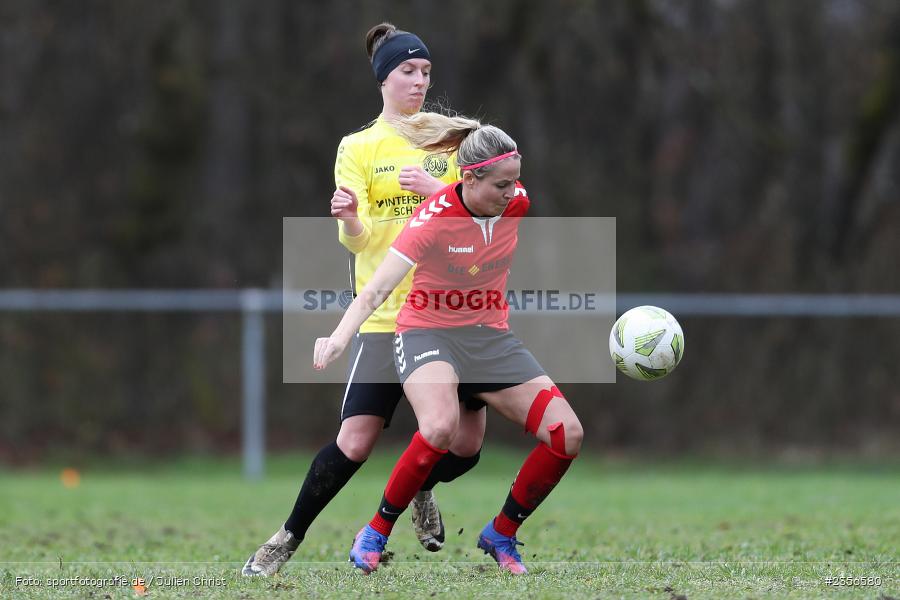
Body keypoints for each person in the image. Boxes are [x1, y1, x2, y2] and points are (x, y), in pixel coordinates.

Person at [242, 23, 486, 577]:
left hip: (449, 314)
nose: (419, 81)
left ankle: (421, 486)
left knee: (466, 447)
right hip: (385, 316)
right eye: (407, 71)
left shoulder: (451, 142)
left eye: (426, 71)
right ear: (383, 78)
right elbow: (360, 240)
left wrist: (442, 196)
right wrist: (351, 219)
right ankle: (285, 538)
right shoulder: (358, 147)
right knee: (354, 441)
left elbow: (483, 214)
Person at [313, 112, 584, 575]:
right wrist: (338, 337)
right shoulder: (430, 222)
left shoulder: (514, 202)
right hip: (427, 333)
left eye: (514, 182)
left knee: (567, 435)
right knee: (439, 428)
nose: (512, 192)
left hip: (490, 339)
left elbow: (481, 200)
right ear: (470, 177)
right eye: (501, 184)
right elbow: (377, 288)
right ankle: (376, 529)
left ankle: (502, 532)